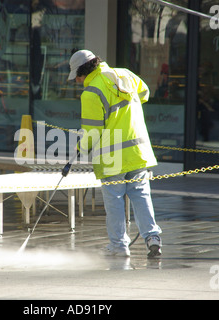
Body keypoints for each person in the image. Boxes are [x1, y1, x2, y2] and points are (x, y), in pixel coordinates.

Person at [67, 49, 162, 258]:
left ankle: (119, 246)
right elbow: (145, 92)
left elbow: (92, 130)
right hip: (137, 151)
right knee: (141, 195)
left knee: (114, 201)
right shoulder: (124, 74)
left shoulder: (91, 92)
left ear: (83, 72)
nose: (77, 81)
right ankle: (153, 237)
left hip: (112, 157)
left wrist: (79, 149)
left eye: (77, 77)